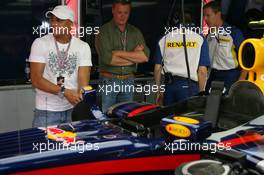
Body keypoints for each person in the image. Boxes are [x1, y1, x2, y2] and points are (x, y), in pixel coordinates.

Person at [29, 5, 92, 127]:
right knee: (46, 146)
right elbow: (36, 80)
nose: (54, 24)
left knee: (72, 146)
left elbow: (83, 81)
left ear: (70, 24)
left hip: (72, 110)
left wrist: (80, 99)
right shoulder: (40, 43)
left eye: (59, 20)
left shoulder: (82, 46)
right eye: (52, 20)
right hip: (47, 111)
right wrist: (64, 92)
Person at [95, 0, 150, 113]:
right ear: (113, 11)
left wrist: (117, 53)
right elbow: (108, 59)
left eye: (126, 13)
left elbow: (145, 57)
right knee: (106, 118)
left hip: (128, 80)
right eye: (119, 12)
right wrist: (134, 58)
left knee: (125, 117)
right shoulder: (104, 31)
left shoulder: (135, 32)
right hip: (109, 81)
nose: (122, 16)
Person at [154, 12, 210, 106]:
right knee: (188, 119)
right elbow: (202, 71)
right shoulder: (199, 39)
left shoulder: (164, 38)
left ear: (175, 22)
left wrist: (158, 91)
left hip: (170, 87)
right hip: (189, 87)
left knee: (169, 118)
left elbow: (157, 68)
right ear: (192, 23)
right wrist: (201, 94)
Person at [203, 1, 247, 94]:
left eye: (208, 15)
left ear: (218, 14)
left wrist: (241, 81)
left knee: (227, 107)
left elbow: (246, 59)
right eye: (204, 16)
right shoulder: (209, 35)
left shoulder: (233, 32)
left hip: (230, 76)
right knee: (209, 105)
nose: (205, 19)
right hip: (213, 76)